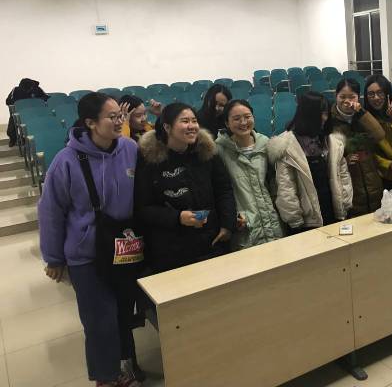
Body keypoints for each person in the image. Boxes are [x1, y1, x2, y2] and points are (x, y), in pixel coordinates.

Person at [38, 93, 142, 387]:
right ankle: (106, 378)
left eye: (120, 116)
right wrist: (54, 258)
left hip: (124, 248)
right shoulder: (66, 161)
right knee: (99, 320)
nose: (119, 121)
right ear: (90, 123)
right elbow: (50, 211)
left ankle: (125, 365)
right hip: (86, 253)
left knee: (122, 313)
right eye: (112, 117)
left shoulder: (130, 148)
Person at [135, 103, 236, 273]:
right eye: (185, 121)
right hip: (172, 249)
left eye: (194, 121)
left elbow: (224, 189)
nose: (192, 126)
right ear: (167, 127)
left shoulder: (206, 152)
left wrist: (227, 225)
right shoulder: (150, 159)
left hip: (211, 241)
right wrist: (177, 217)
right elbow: (143, 208)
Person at [267, 91, 352, 231]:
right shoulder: (287, 146)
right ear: (307, 115)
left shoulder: (332, 141)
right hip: (307, 221)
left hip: (334, 210)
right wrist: (295, 221)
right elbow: (286, 188)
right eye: (320, 114)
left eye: (326, 113)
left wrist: (345, 204)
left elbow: (343, 177)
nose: (324, 118)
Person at [215, 99, 284, 250]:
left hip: (272, 221)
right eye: (236, 119)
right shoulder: (219, 150)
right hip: (245, 226)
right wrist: (231, 217)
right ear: (227, 123)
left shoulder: (265, 143)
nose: (243, 122)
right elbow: (219, 191)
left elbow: (274, 183)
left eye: (247, 117)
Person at [331, 78, 385, 215]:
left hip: (371, 177)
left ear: (358, 97)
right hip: (348, 182)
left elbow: (379, 135)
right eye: (342, 97)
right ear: (335, 96)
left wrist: (361, 113)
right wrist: (344, 160)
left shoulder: (363, 116)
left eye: (352, 97)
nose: (347, 101)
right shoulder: (330, 121)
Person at [6, 78, 49, 147]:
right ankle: (13, 139)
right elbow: (8, 101)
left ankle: (41, 138)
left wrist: (35, 101)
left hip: (35, 113)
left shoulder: (37, 89)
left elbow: (46, 97)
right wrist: (20, 103)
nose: (28, 90)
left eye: (30, 88)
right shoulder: (16, 90)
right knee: (13, 119)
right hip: (20, 113)